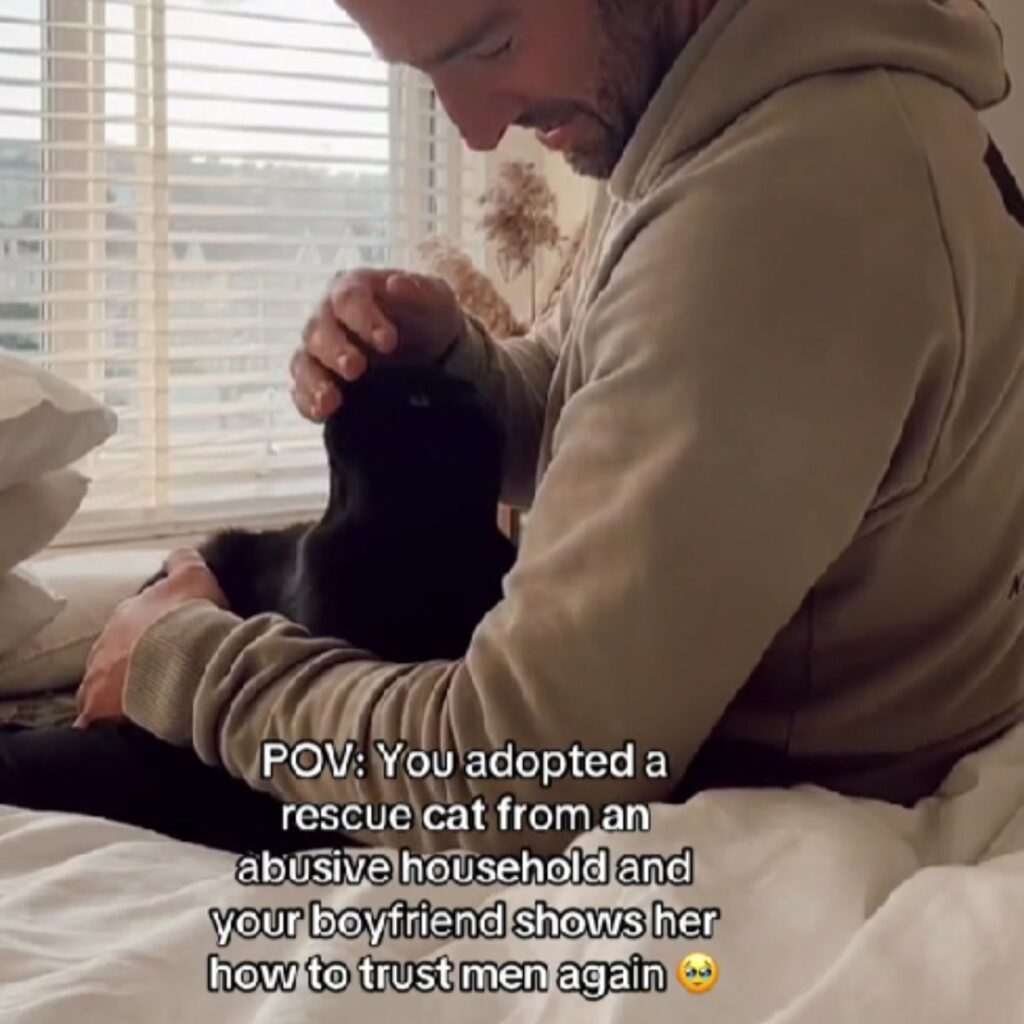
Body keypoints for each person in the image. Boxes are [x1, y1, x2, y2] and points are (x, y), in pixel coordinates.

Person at [5, 0, 1024, 856]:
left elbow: (523, 779)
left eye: (490, 44)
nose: (479, 132)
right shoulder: (727, 123)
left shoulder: (780, 206)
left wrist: (185, 666)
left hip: (779, 804)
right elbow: (633, 410)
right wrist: (458, 369)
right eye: (428, 78)